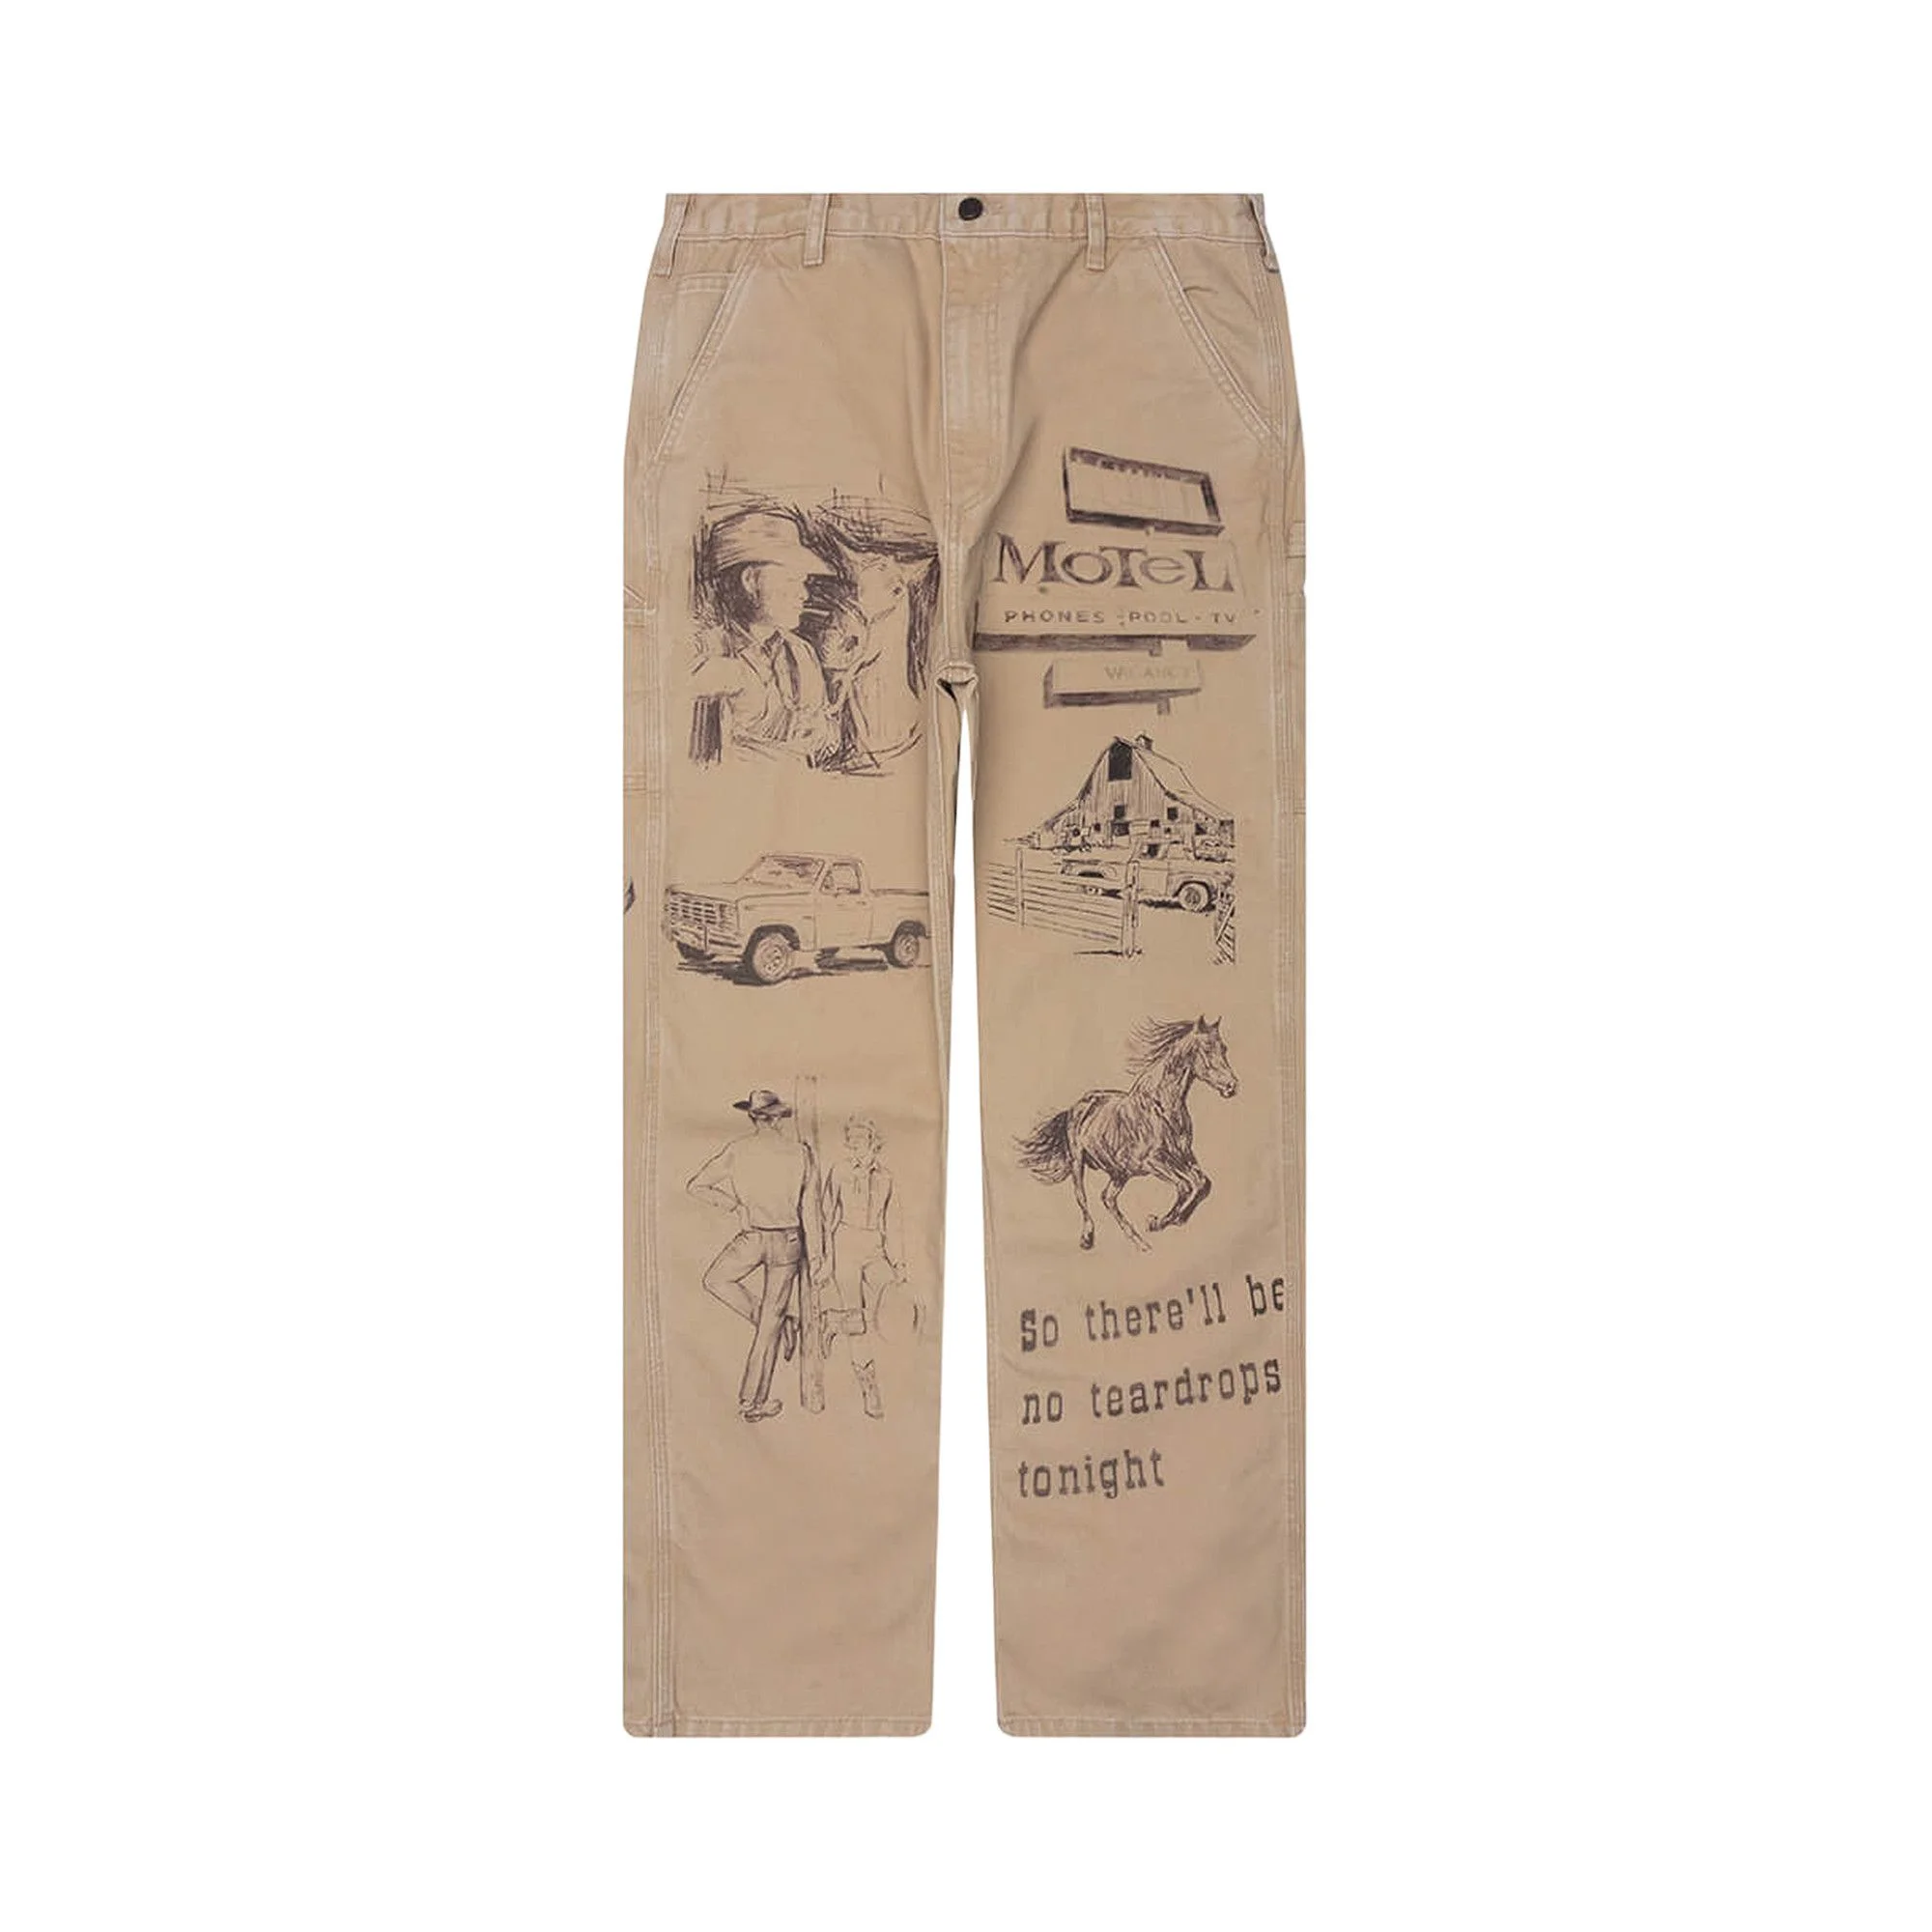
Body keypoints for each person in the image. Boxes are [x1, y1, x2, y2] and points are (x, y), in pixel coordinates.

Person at [687, 1089, 826, 1422]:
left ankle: (753, 1401)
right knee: (762, 1319)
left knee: (719, 1283)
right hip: (784, 1239)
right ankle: (777, 1332)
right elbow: (811, 1210)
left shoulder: (739, 1150)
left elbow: (696, 1186)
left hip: (766, 1237)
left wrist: (735, 1206)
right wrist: (818, 1254)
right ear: (777, 1119)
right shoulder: (800, 1153)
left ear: (753, 1117)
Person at [687, 511, 834, 766]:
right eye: (791, 579)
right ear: (750, 581)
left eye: (803, 582)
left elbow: (824, 733)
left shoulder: (802, 652)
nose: (803, 594)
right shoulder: (703, 649)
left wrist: (822, 732)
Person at [818, 1116, 905, 1420]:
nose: (853, 1144)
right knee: (856, 1316)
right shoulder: (839, 1171)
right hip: (844, 1244)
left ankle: (832, 1321)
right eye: (850, 1139)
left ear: (872, 1142)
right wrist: (826, 1259)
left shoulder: (887, 1177)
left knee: (893, 1303)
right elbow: (826, 1217)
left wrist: (899, 1262)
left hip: (875, 1248)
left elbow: (893, 1221)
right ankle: (870, 1389)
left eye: (859, 1139)